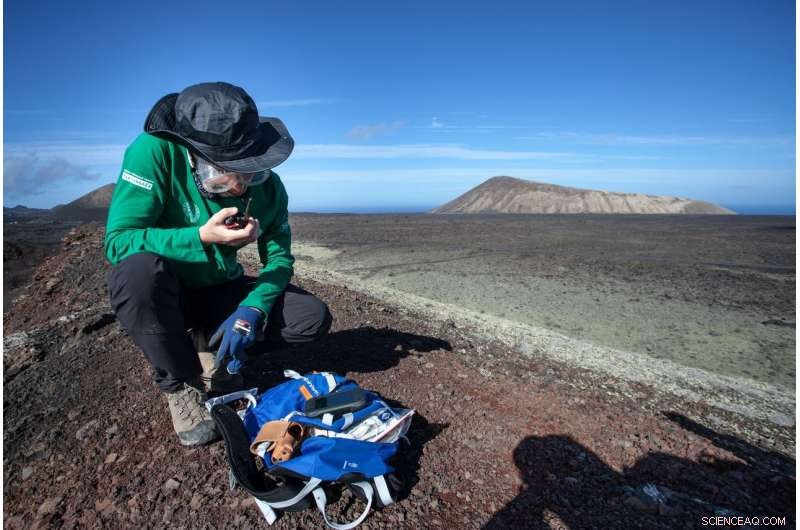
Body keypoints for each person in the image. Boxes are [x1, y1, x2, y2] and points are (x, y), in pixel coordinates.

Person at [104, 82, 332, 446]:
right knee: (136, 274)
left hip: (218, 287)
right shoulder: (153, 152)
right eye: (228, 171)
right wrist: (200, 237)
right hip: (168, 293)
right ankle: (179, 382)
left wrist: (252, 309)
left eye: (252, 170)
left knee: (311, 317)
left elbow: (279, 257)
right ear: (195, 154)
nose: (242, 186)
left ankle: (212, 346)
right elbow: (118, 242)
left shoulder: (269, 188)